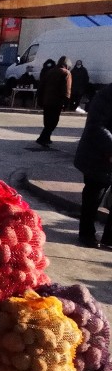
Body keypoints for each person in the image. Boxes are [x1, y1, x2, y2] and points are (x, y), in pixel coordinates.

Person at [73, 84, 112, 249]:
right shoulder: (106, 95)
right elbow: (96, 126)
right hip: (98, 153)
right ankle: (86, 233)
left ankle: (110, 237)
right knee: (93, 194)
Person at [36, 56, 72, 147]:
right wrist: (66, 102)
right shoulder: (66, 73)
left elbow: (41, 86)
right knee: (53, 121)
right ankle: (43, 138)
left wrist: (39, 99)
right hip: (57, 101)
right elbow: (67, 89)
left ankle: (46, 138)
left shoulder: (49, 72)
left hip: (46, 100)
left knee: (47, 120)